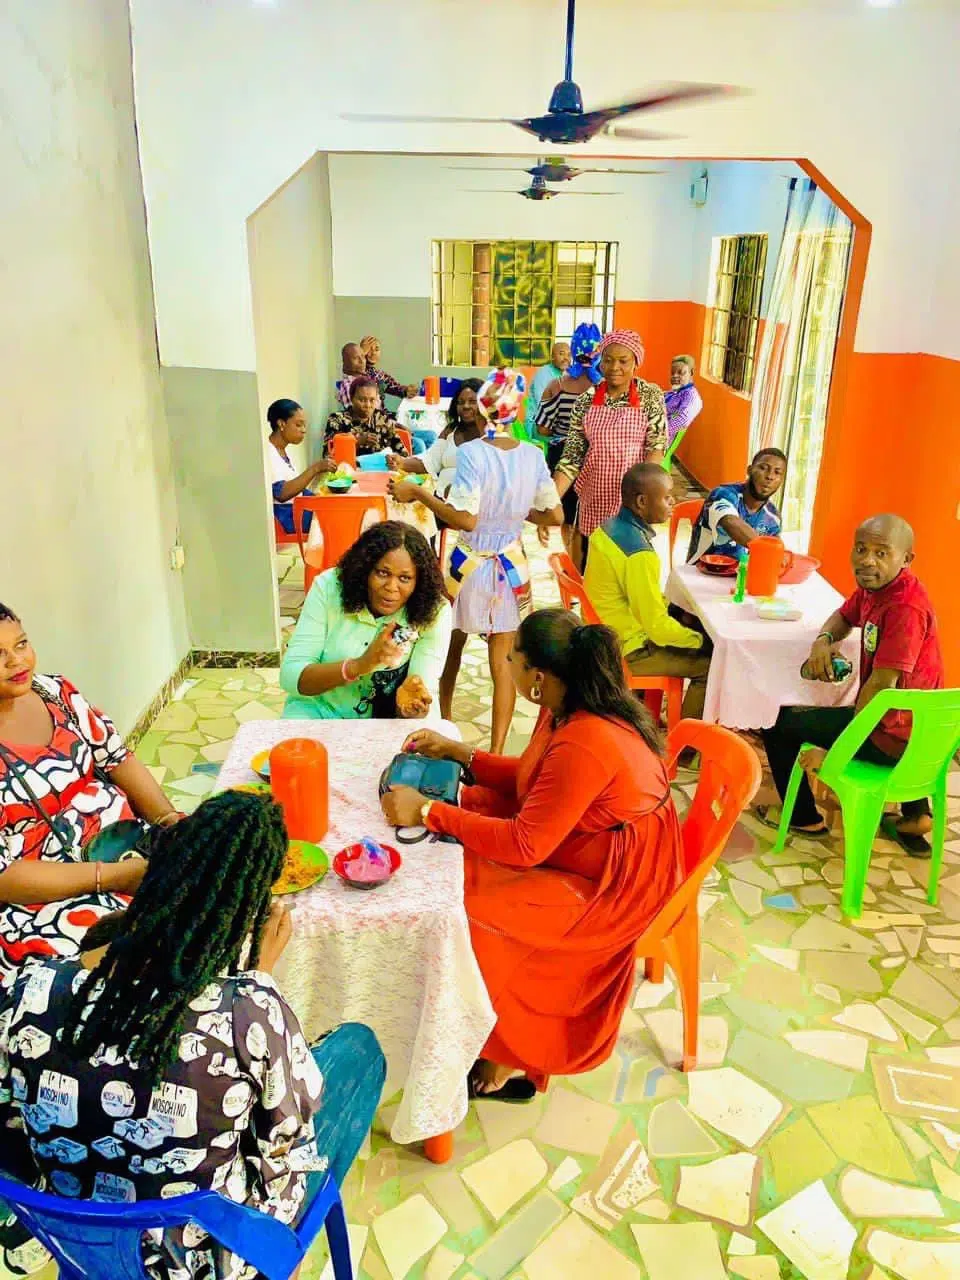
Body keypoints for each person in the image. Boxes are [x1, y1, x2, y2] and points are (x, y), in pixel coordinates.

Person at [0, 791, 385, 1280]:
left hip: (87, 1246)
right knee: (357, 1052)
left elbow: (12, 1125)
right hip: (213, 1259)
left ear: (153, 880)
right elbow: (282, 1140)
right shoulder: (247, 1013)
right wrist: (258, 982)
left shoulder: (29, 992)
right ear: (247, 912)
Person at [381, 610, 682, 1100]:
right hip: (587, 844)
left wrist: (429, 811)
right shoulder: (566, 706)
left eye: (512, 658)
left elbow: (525, 845)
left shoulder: (587, 738)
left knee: (471, 912)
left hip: (616, 881)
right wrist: (460, 753)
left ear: (538, 676)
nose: (506, 664)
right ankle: (467, 1022)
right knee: (465, 844)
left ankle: (508, 1049)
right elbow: (534, 777)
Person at [0, 604, 182, 988]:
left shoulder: (54, 693)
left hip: (127, 848)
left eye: (21, 644)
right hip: (46, 896)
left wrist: (169, 821)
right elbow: (4, 876)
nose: (16, 661)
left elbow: (117, 758)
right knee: (135, 964)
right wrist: (112, 878)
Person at [389, 369, 563, 754]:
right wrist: (514, 511)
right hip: (511, 565)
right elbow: (554, 515)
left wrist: (418, 492)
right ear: (517, 410)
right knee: (503, 663)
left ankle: (443, 727)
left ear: (484, 408)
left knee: (448, 647)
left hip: (469, 564)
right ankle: (497, 752)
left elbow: (465, 520)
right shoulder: (533, 455)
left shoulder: (471, 453)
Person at [758, 514, 945, 852]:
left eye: (881, 552)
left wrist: (836, 753)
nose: (867, 560)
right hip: (916, 729)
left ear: (906, 559)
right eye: (861, 549)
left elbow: (881, 688)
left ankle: (803, 818)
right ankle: (916, 814)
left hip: (897, 738)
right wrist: (823, 641)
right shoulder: (878, 588)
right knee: (860, 708)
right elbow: (844, 616)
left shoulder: (905, 608)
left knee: (778, 722)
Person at [280, 521, 451, 719]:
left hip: (387, 719)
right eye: (383, 573)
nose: (391, 587)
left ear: (418, 581)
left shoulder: (433, 610)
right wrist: (358, 666)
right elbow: (291, 676)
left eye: (404, 578)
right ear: (364, 569)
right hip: (318, 711)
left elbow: (421, 689)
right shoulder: (329, 588)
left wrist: (409, 706)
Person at [586, 464, 711, 718]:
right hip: (629, 650)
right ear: (642, 502)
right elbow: (657, 628)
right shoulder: (639, 554)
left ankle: (649, 712)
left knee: (682, 620)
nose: (673, 502)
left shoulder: (607, 528)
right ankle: (685, 741)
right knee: (710, 667)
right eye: (666, 497)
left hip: (604, 634)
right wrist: (701, 641)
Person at [553, 329, 668, 556]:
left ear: (635, 362)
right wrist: (549, 502)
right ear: (600, 362)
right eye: (608, 360)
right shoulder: (586, 401)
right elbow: (572, 457)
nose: (615, 367)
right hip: (594, 499)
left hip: (632, 503)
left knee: (628, 563)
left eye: (623, 361)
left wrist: (645, 497)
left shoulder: (649, 395)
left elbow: (656, 447)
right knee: (592, 562)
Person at [536, 323, 603, 558]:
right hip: (597, 458)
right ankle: (589, 563)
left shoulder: (557, 385)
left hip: (562, 456)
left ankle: (572, 566)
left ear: (574, 350)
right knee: (589, 516)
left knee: (567, 517)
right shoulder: (606, 388)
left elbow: (542, 428)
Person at [686, 448, 787, 563]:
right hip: (700, 570)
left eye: (777, 472)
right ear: (749, 470)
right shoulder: (723, 494)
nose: (770, 476)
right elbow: (730, 522)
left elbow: (774, 550)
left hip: (742, 573)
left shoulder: (773, 518)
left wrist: (778, 556)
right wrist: (767, 549)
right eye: (763, 468)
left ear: (781, 480)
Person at [388, 378, 483, 497]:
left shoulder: (492, 436)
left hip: (471, 504)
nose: (466, 406)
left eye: (472, 401)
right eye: (461, 402)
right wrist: (401, 462)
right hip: (439, 500)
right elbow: (430, 462)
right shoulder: (451, 430)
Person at [267, 398, 335, 535]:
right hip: (286, 517)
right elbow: (281, 493)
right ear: (281, 424)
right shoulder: (268, 452)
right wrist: (315, 468)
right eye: (298, 425)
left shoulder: (281, 451)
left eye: (304, 426)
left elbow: (298, 490)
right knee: (335, 519)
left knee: (335, 505)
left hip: (294, 510)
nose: (304, 431)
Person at [325, 376, 410, 458]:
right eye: (362, 400)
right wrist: (357, 442)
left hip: (379, 467)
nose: (368, 405)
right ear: (352, 398)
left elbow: (402, 453)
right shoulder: (337, 420)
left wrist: (396, 460)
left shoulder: (382, 419)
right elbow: (328, 455)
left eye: (372, 400)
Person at [525, 341, 571, 435]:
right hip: (538, 424)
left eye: (569, 355)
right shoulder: (543, 374)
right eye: (561, 354)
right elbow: (544, 405)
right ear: (552, 357)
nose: (566, 358)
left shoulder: (569, 375)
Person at [360, 334, 419, 404]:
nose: (373, 353)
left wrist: (407, 390)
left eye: (377, 349)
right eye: (369, 350)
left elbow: (397, 388)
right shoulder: (355, 374)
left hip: (380, 411)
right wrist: (361, 355)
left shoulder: (380, 375)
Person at [664, 354, 703, 447]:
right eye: (672, 373)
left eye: (680, 373)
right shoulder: (676, 392)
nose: (675, 376)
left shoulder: (692, 398)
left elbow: (681, 420)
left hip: (658, 442)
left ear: (691, 373)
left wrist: (655, 432)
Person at [336, 342, 369, 406]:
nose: (362, 361)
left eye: (363, 356)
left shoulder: (365, 380)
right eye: (355, 358)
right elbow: (357, 410)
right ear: (345, 363)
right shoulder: (348, 385)